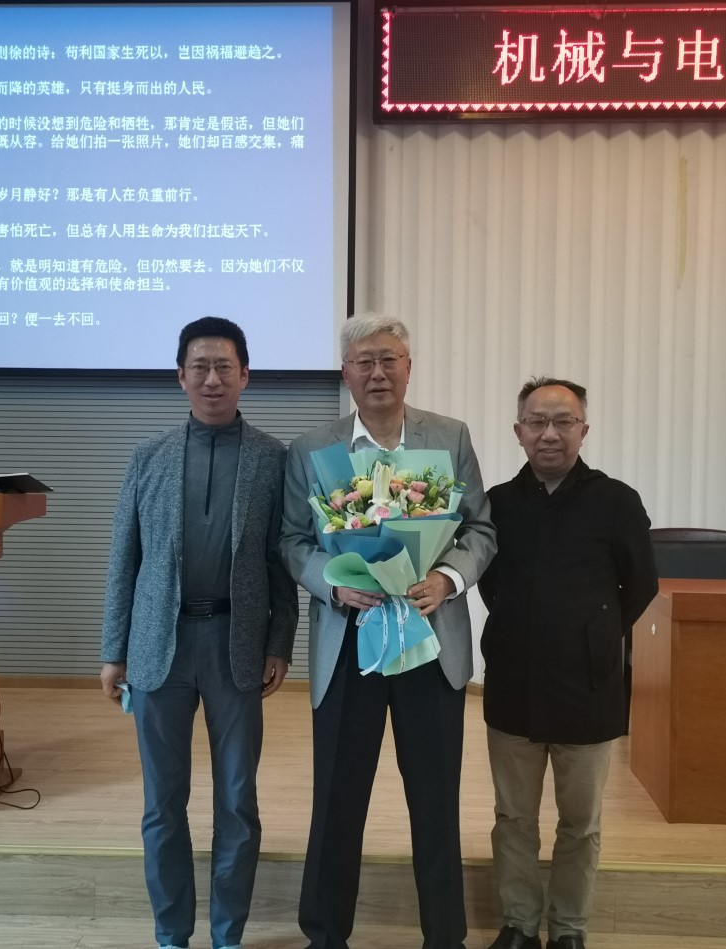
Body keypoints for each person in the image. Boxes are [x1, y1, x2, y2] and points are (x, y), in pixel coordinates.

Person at [281, 313, 497, 949]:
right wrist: (332, 583)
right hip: (349, 638)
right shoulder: (312, 449)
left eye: (388, 359)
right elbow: (291, 541)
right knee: (338, 798)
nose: (377, 372)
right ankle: (325, 934)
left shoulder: (449, 436)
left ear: (408, 367)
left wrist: (448, 580)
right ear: (346, 373)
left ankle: (444, 936)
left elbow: (480, 529)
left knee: (435, 799)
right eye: (364, 362)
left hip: (430, 641)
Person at [100, 316, 298, 949]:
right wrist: (113, 651)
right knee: (163, 802)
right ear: (180, 376)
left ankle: (228, 935)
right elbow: (124, 560)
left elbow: (282, 560)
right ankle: (171, 934)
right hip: (158, 647)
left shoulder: (273, 458)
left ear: (245, 375)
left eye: (224, 367)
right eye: (200, 367)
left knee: (237, 800)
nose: (212, 379)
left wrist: (279, 643)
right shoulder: (148, 456)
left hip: (237, 646)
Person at [478, 377, 658, 949]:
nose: (549, 434)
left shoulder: (616, 501)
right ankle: (519, 924)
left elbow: (642, 584)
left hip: (589, 687)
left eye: (563, 422)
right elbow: (488, 582)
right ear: (518, 431)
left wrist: (594, 633)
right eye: (537, 422)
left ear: (584, 430)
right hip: (513, 683)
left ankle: (569, 929)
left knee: (580, 822)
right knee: (513, 818)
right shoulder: (497, 504)